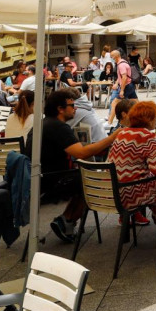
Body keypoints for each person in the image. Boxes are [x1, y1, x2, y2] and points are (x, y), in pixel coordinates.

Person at [40, 89, 114, 244]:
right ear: (60, 109)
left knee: (86, 179)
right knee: (93, 183)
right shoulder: (58, 127)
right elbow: (81, 153)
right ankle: (67, 220)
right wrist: (112, 138)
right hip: (50, 180)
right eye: (71, 105)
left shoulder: (46, 123)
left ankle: (66, 220)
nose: (75, 108)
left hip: (44, 176)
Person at [105, 100, 156, 236]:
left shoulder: (122, 133)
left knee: (154, 185)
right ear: (149, 119)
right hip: (129, 193)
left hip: (112, 191)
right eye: (155, 118)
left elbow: (137, 150)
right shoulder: (148, 136)